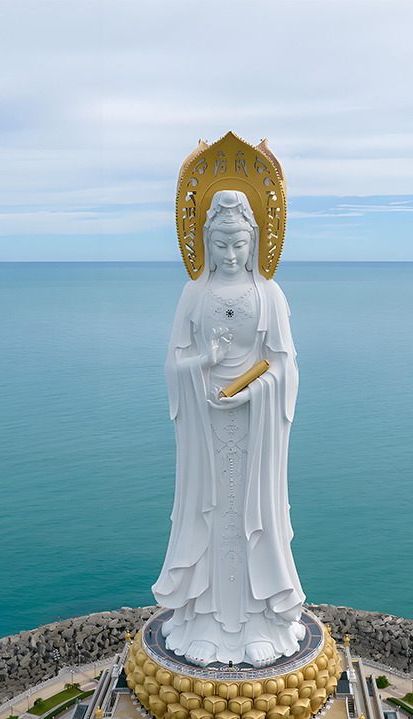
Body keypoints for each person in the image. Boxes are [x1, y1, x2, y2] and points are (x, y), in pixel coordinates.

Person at [152, 190, 305, 668]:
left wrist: (255, 390)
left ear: (255, 241)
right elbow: (173, 364)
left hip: (255, 429)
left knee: (251, 517)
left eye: (239, 243)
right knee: (209, 514)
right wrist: (206, 363)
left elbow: (285, 367)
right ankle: (204, 619)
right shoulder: (194, 294)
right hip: (205, 428)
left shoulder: (269, 295)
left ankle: (259, 621)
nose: (231, 255)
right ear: (205, 242)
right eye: (220, 244)